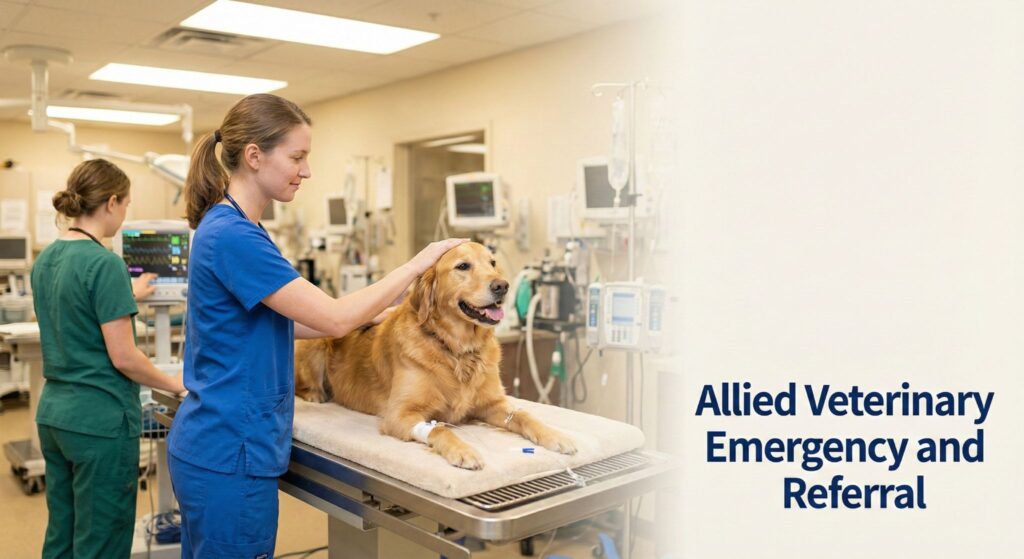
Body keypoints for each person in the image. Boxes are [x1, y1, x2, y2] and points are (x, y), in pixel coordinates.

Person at [168, 93, 465, 558]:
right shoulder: (233, 235)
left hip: (217, 447)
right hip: (230, 452)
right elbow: (332, 317)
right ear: (254, 156)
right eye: (297, 156)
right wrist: (418, 264)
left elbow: (287, 323)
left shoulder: (233, 226)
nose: (305, 171)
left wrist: (380, 314)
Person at [31, 158, 187, 559]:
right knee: (101, 540)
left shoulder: (47, 259)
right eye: (127, 204)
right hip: (99, 424)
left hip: (55, 417)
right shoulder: (105, 264)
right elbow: (125, 358)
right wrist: (176, 383)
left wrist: (129, 292)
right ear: (113, 202)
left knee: (62, 532)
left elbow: (75, 304)